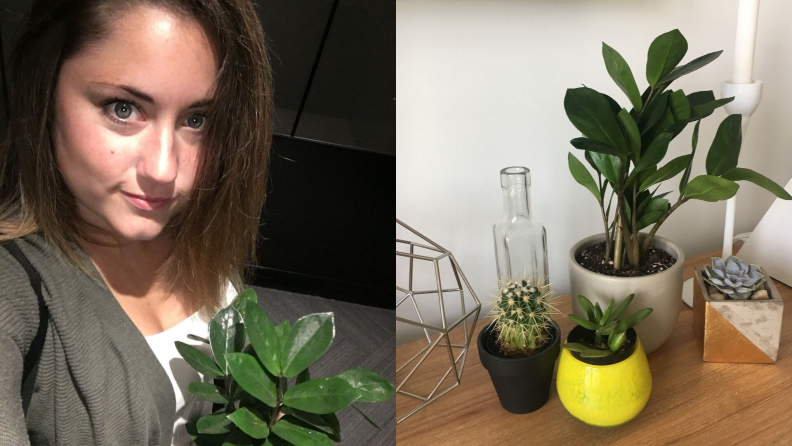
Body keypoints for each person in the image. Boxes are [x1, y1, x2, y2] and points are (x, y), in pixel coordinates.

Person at [0, 0, 273, 444]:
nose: (165, 171)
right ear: (45, 89)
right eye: (123, 109)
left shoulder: (195, 226)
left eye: (197, 120)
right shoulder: (12, 288)